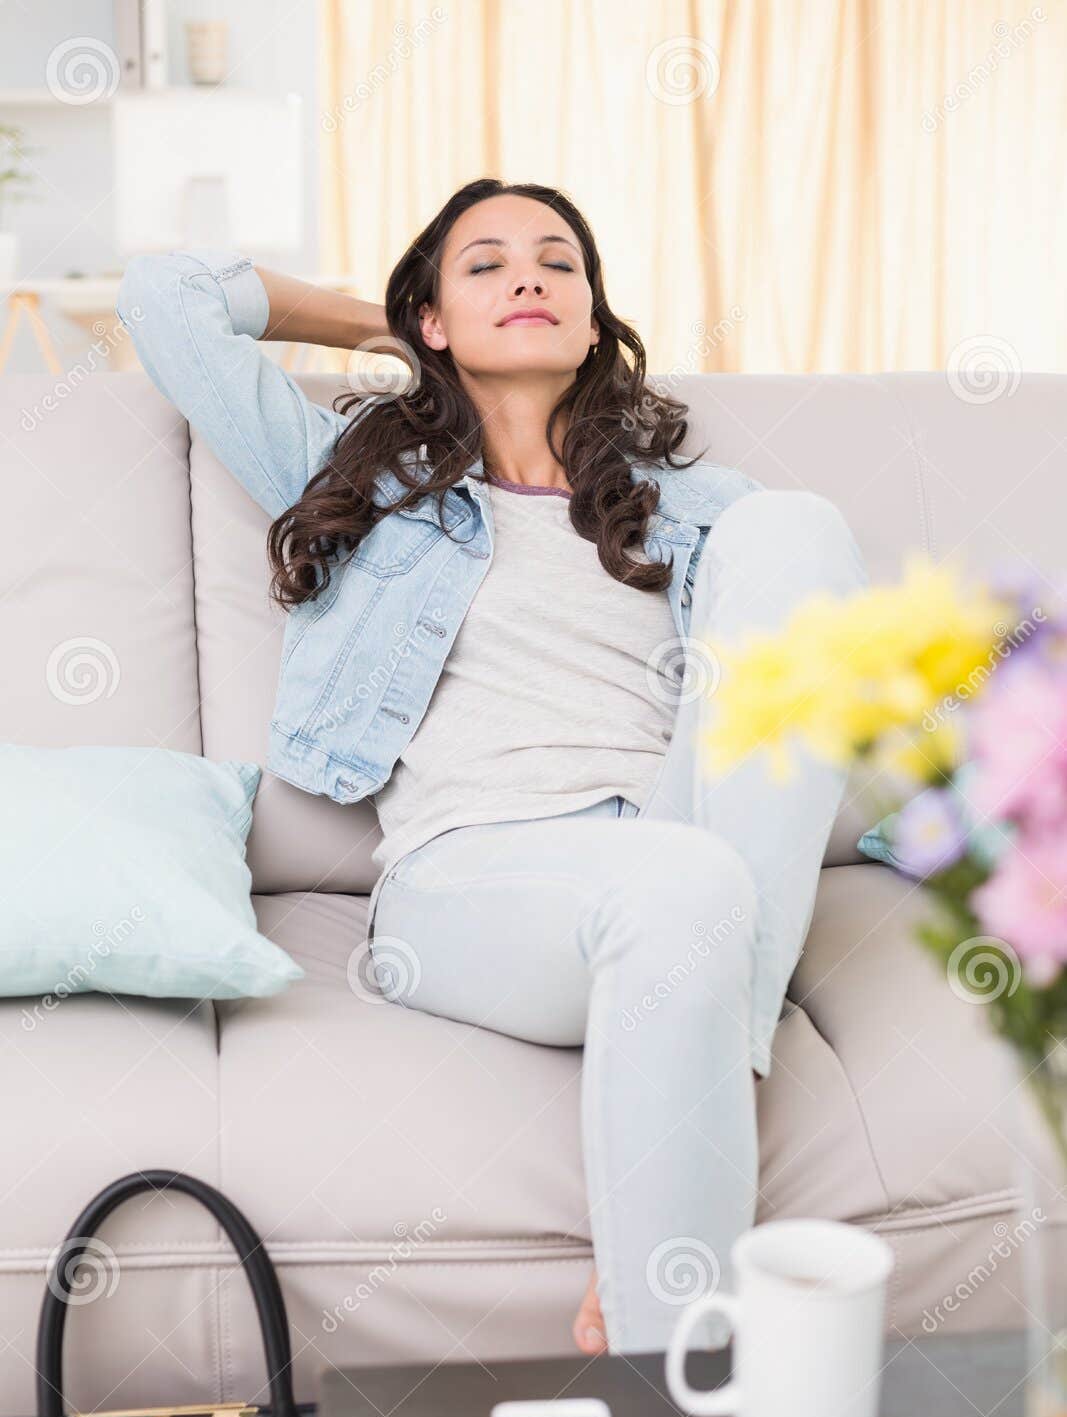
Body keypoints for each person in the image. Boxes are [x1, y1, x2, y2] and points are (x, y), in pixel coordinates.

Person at [117, 177, 868, 1357]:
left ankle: (714, 1066)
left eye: (556, 260)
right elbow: (164, 298)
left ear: (592, 311)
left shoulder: (695, 511)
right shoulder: (364, 483)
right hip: (476, 883)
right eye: (484, 265)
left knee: (799, 530)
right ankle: (682, 1358)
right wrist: (384, 318)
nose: (529, 277)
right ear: (433, 318)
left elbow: (795, 720)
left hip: (682, 856)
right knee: (684, 890)